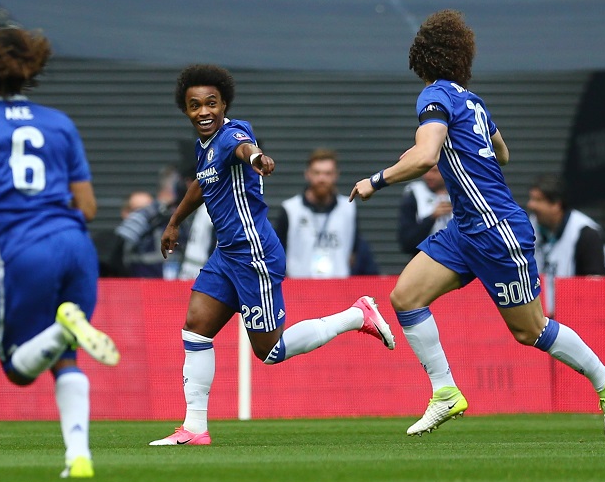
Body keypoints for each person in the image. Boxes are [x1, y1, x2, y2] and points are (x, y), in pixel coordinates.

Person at [350, 9, 605, 440]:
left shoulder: (433, 96)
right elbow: (502, 153)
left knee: (530, 330)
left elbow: (426, 156)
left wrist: (376, 180)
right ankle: (445, 393)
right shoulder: (473, 102)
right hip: (466, 229)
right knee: (405, 297)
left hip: (498, 231)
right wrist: (450, 152)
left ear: (421, 58)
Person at [149, 64, 395, 446]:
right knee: (195, 328)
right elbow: (202, 183)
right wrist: (174, 222)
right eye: (195, 105)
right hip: (226, 255)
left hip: (254, 255)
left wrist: (257, 158)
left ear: (224, 104)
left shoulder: (232, 134)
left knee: (271, 351)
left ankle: (356, 315)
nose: (204, 111)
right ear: (185, 110)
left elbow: (245, 149)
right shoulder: (205, 148)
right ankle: (194, 428)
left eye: (211, 103)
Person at [0, 28, 120, 478]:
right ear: (32, 68)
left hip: (25, 249)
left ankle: (64, 326)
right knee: (66, 359)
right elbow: (88, 206)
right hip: (76, 245)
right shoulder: (59, 123)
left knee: (17, 369)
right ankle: (79, 458)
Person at [527, 173, 605, 314]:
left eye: (538, 200)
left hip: (577, 316)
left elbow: (598, 290)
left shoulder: (586, 234)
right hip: (542, 317)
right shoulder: (529, 227)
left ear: (556, 205)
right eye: (531, 199)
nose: (531, 205)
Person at [275, 148, 378, 278]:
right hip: (299, 285)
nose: (322, 179)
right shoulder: (290, 209)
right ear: (307, 174)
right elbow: (277, 254)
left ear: (336, 175)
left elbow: (356, 251)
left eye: (327, 173)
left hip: (339, 285)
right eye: (317, 173)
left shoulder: (348, 208)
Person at [115, 166, 186, 278]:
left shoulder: (182, 216)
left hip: (177, 283)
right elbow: (118, 246)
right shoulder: (146, 214)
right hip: (143, 284)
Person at [398, 165, 453, 256]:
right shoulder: (414, 194)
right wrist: (432, 217)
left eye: (435, 171)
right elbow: (406, 242)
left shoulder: (463, 193)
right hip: (425, 257)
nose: (428, 176)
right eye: (426, 170)